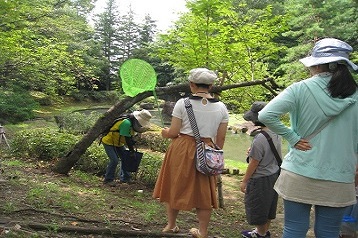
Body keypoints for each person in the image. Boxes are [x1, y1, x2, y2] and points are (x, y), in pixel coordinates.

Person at [258, 38, 358, 238]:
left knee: (294, 229)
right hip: (340, 175)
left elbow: (266, 115)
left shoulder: (300, 88)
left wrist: (292, 137)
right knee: (328, 232)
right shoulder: (355, 95)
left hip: (300, 170)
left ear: (318, 64)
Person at [152, 68, 229, 238]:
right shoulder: (222, 107)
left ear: (192, 84)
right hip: (207, 149)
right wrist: (211, 152)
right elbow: (221, 139)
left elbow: (173, 132)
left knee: (175, 185)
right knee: (204, 192)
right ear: (211, 85)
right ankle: (202, 231)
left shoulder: (183, 103)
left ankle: (171, 225)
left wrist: (165, 133)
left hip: (182, 148)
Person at [240, 101, 281, 238]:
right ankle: (262, 232)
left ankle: (260, 234)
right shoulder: (276, 133)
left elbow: (254, 163)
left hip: (260, 178)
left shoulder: (260, 138)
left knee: (259, 208)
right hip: (274, 175)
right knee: (268, 207)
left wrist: (245, 181)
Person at [102, 109, 152, 186]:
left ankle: (125, 178)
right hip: (109, 142)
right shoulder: (126, 123)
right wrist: (131, 151)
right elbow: (127, 139)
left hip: (119, 143)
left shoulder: (132, 123)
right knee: (114, 160)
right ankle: (108, 180)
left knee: (125, 158)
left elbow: (129, 137)